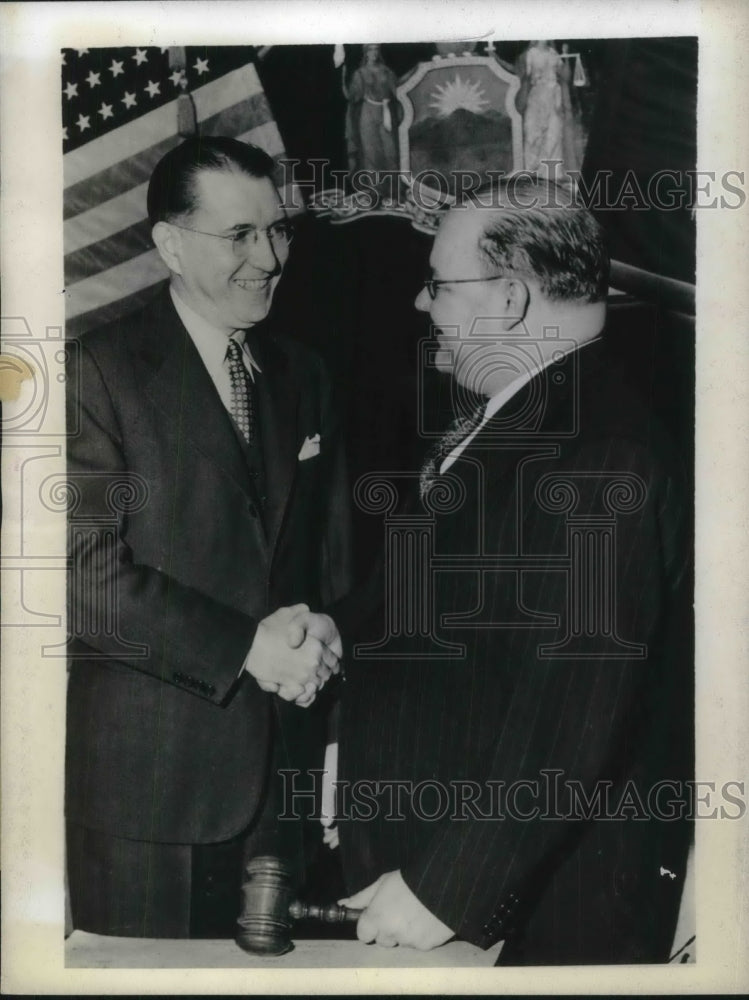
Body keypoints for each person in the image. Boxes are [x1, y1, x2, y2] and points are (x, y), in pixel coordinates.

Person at [331, 175, 693, 963]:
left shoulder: (601, 454)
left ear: (508, 298)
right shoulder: (540, 418)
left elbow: (573, 711)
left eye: (437, 284)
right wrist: (333, 630)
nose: (421, 303)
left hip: (526, 909)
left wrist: (444, 888)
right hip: (445, 873)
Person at [65, 136, 351, 939]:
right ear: (170, 245)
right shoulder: (94, 373)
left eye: (277, 230)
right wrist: (247, 648)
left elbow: (332, 564)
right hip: (150, 798)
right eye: (239, 236)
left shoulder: (304, 374)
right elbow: (79, 578)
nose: (270, 258)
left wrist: (334, 695)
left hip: (287, 788)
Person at [344, 44, 400, 177]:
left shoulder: (387, 72)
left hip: (385, 113)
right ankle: (375, 187)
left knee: (391, 151)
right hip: (368, 113)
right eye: (370, 50)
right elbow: (353, 96)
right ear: (366, 53)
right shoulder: (360, 73)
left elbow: (398, 92)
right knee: (370, 152)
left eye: (376, 49)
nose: (374, 52)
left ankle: (394, 185)